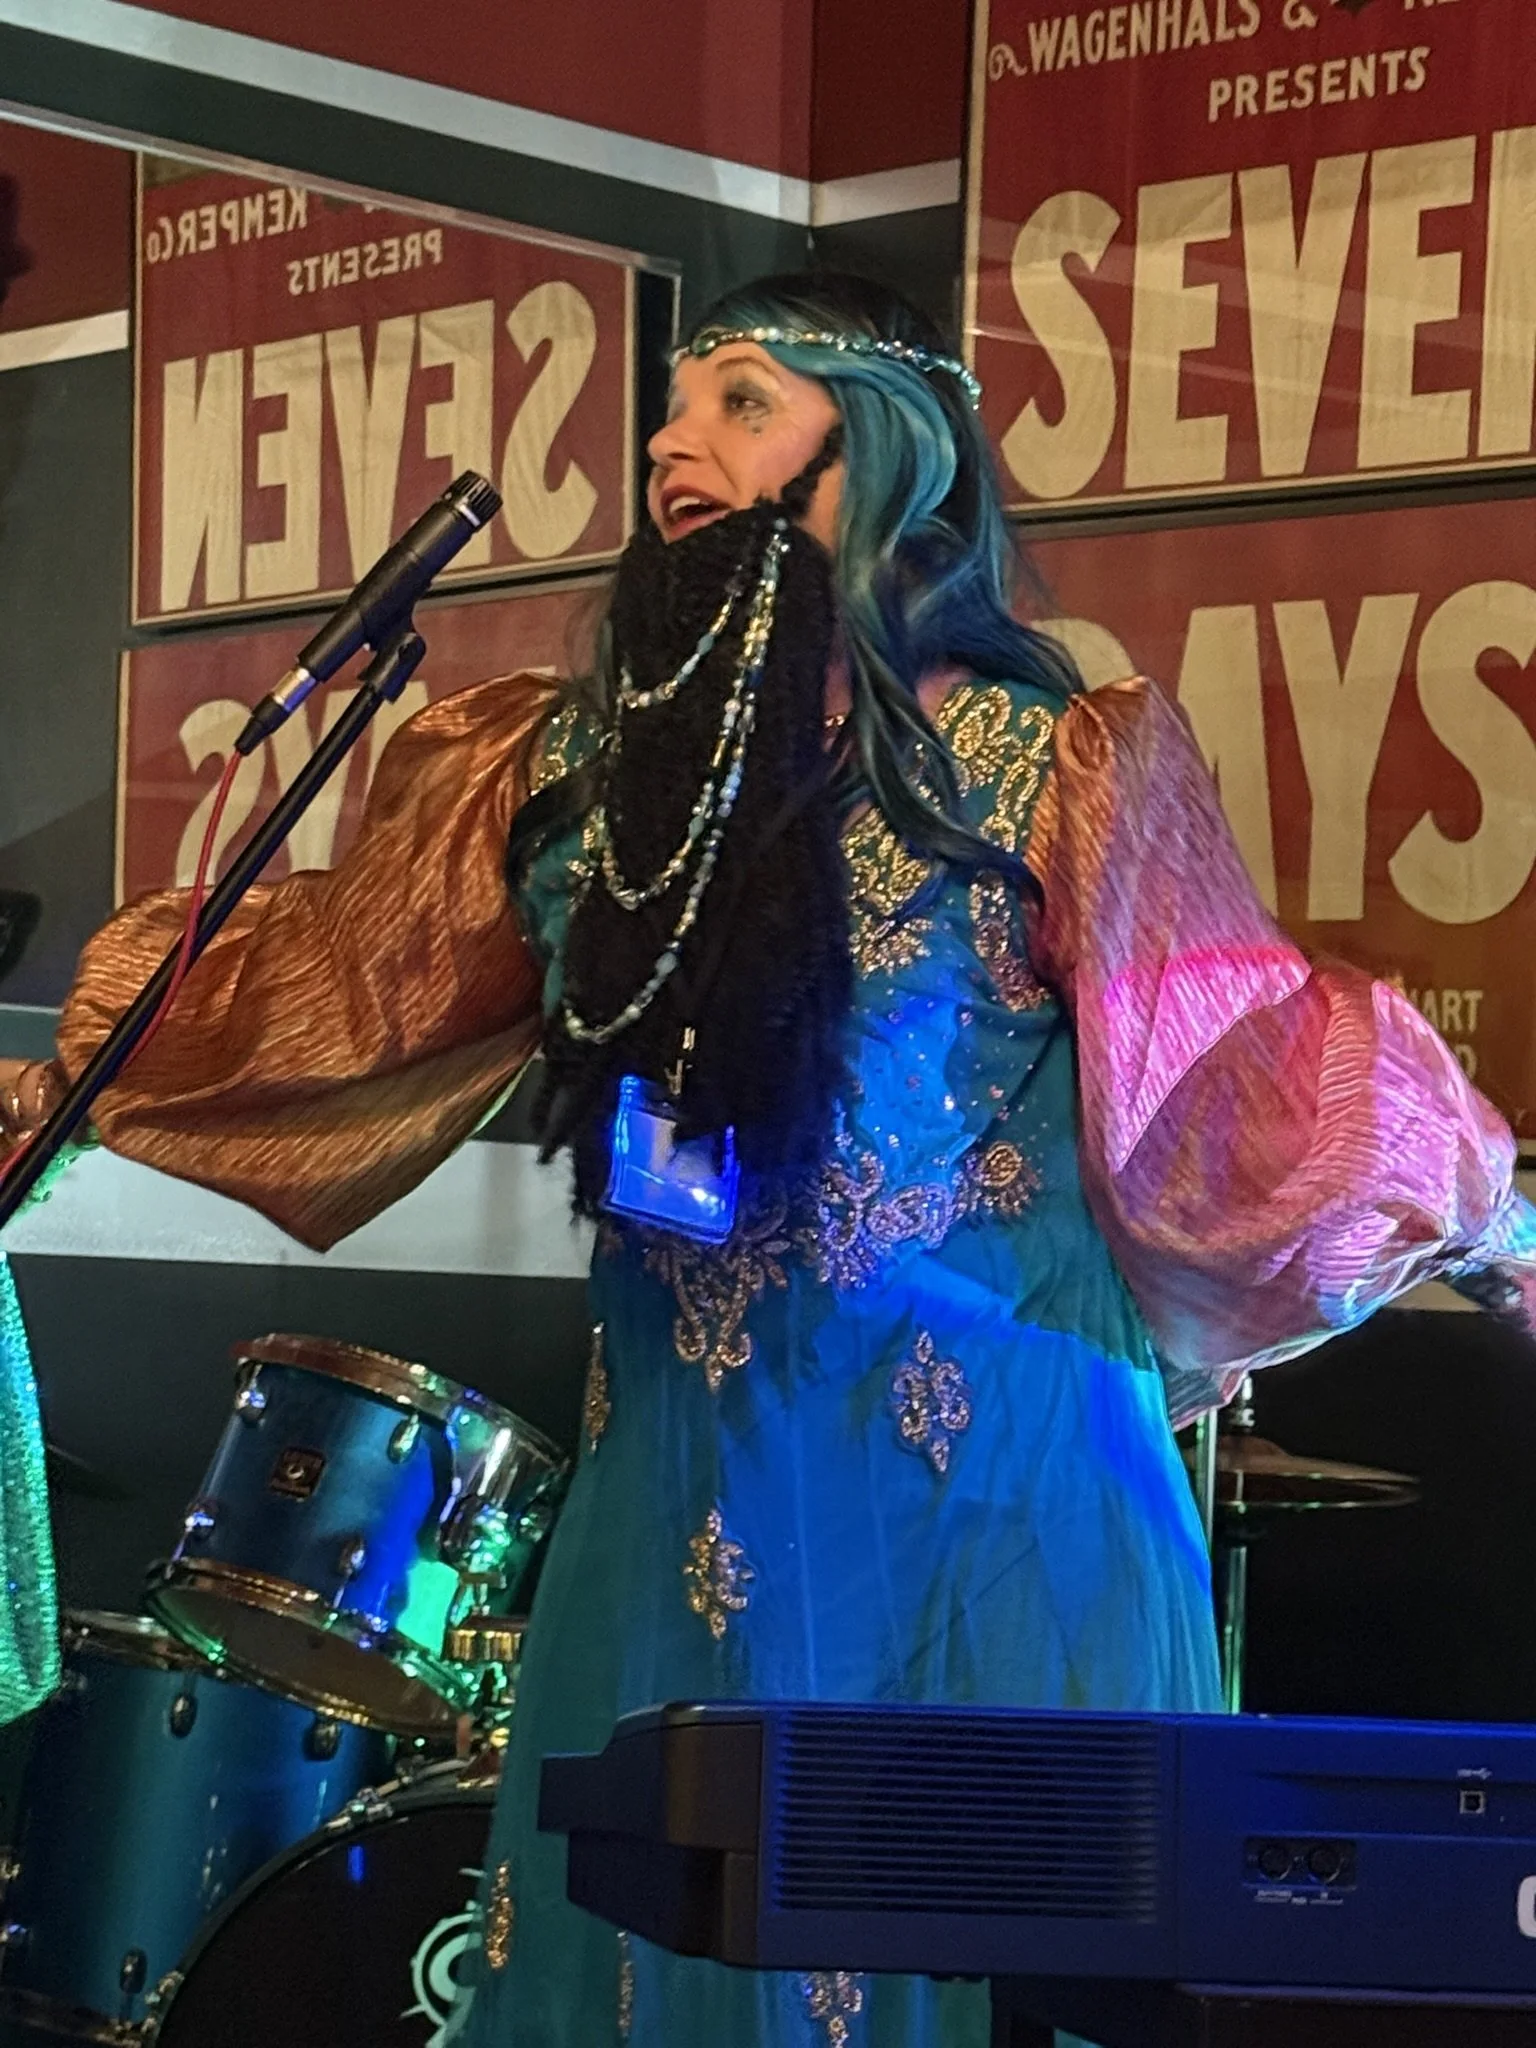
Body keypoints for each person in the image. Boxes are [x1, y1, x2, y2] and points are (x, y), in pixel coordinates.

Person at [2, 271, 1533, 2047]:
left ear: (884, 451)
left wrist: (1492, 1216)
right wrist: (55, 1094)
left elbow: (1243, 1070)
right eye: (673, 404)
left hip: (996, 1511)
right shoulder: (572, 777)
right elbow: (335, 991)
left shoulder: (1050, 761)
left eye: (741, 399)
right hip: (682, 1494)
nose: (671, 439)